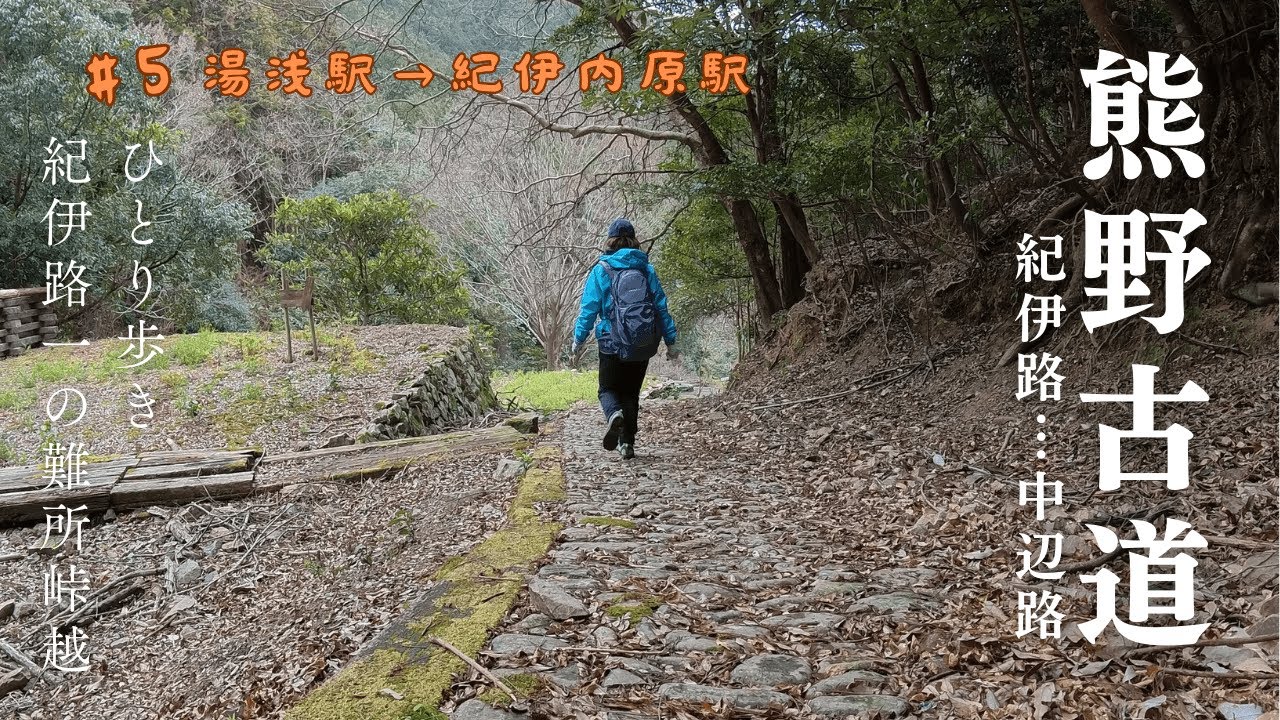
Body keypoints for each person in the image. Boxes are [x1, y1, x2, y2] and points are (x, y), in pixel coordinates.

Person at [571, 218, 678, 459]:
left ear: (610, 240)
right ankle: (627, 443)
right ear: (634, 240)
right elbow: (661, 306)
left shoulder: (601, 270)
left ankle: (613, 415)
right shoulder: (645, 269)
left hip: (610, 341)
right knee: (631, 393)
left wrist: (578, 340)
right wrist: (671, 341)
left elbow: (588, 309)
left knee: (607, 389)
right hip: (642, 341)